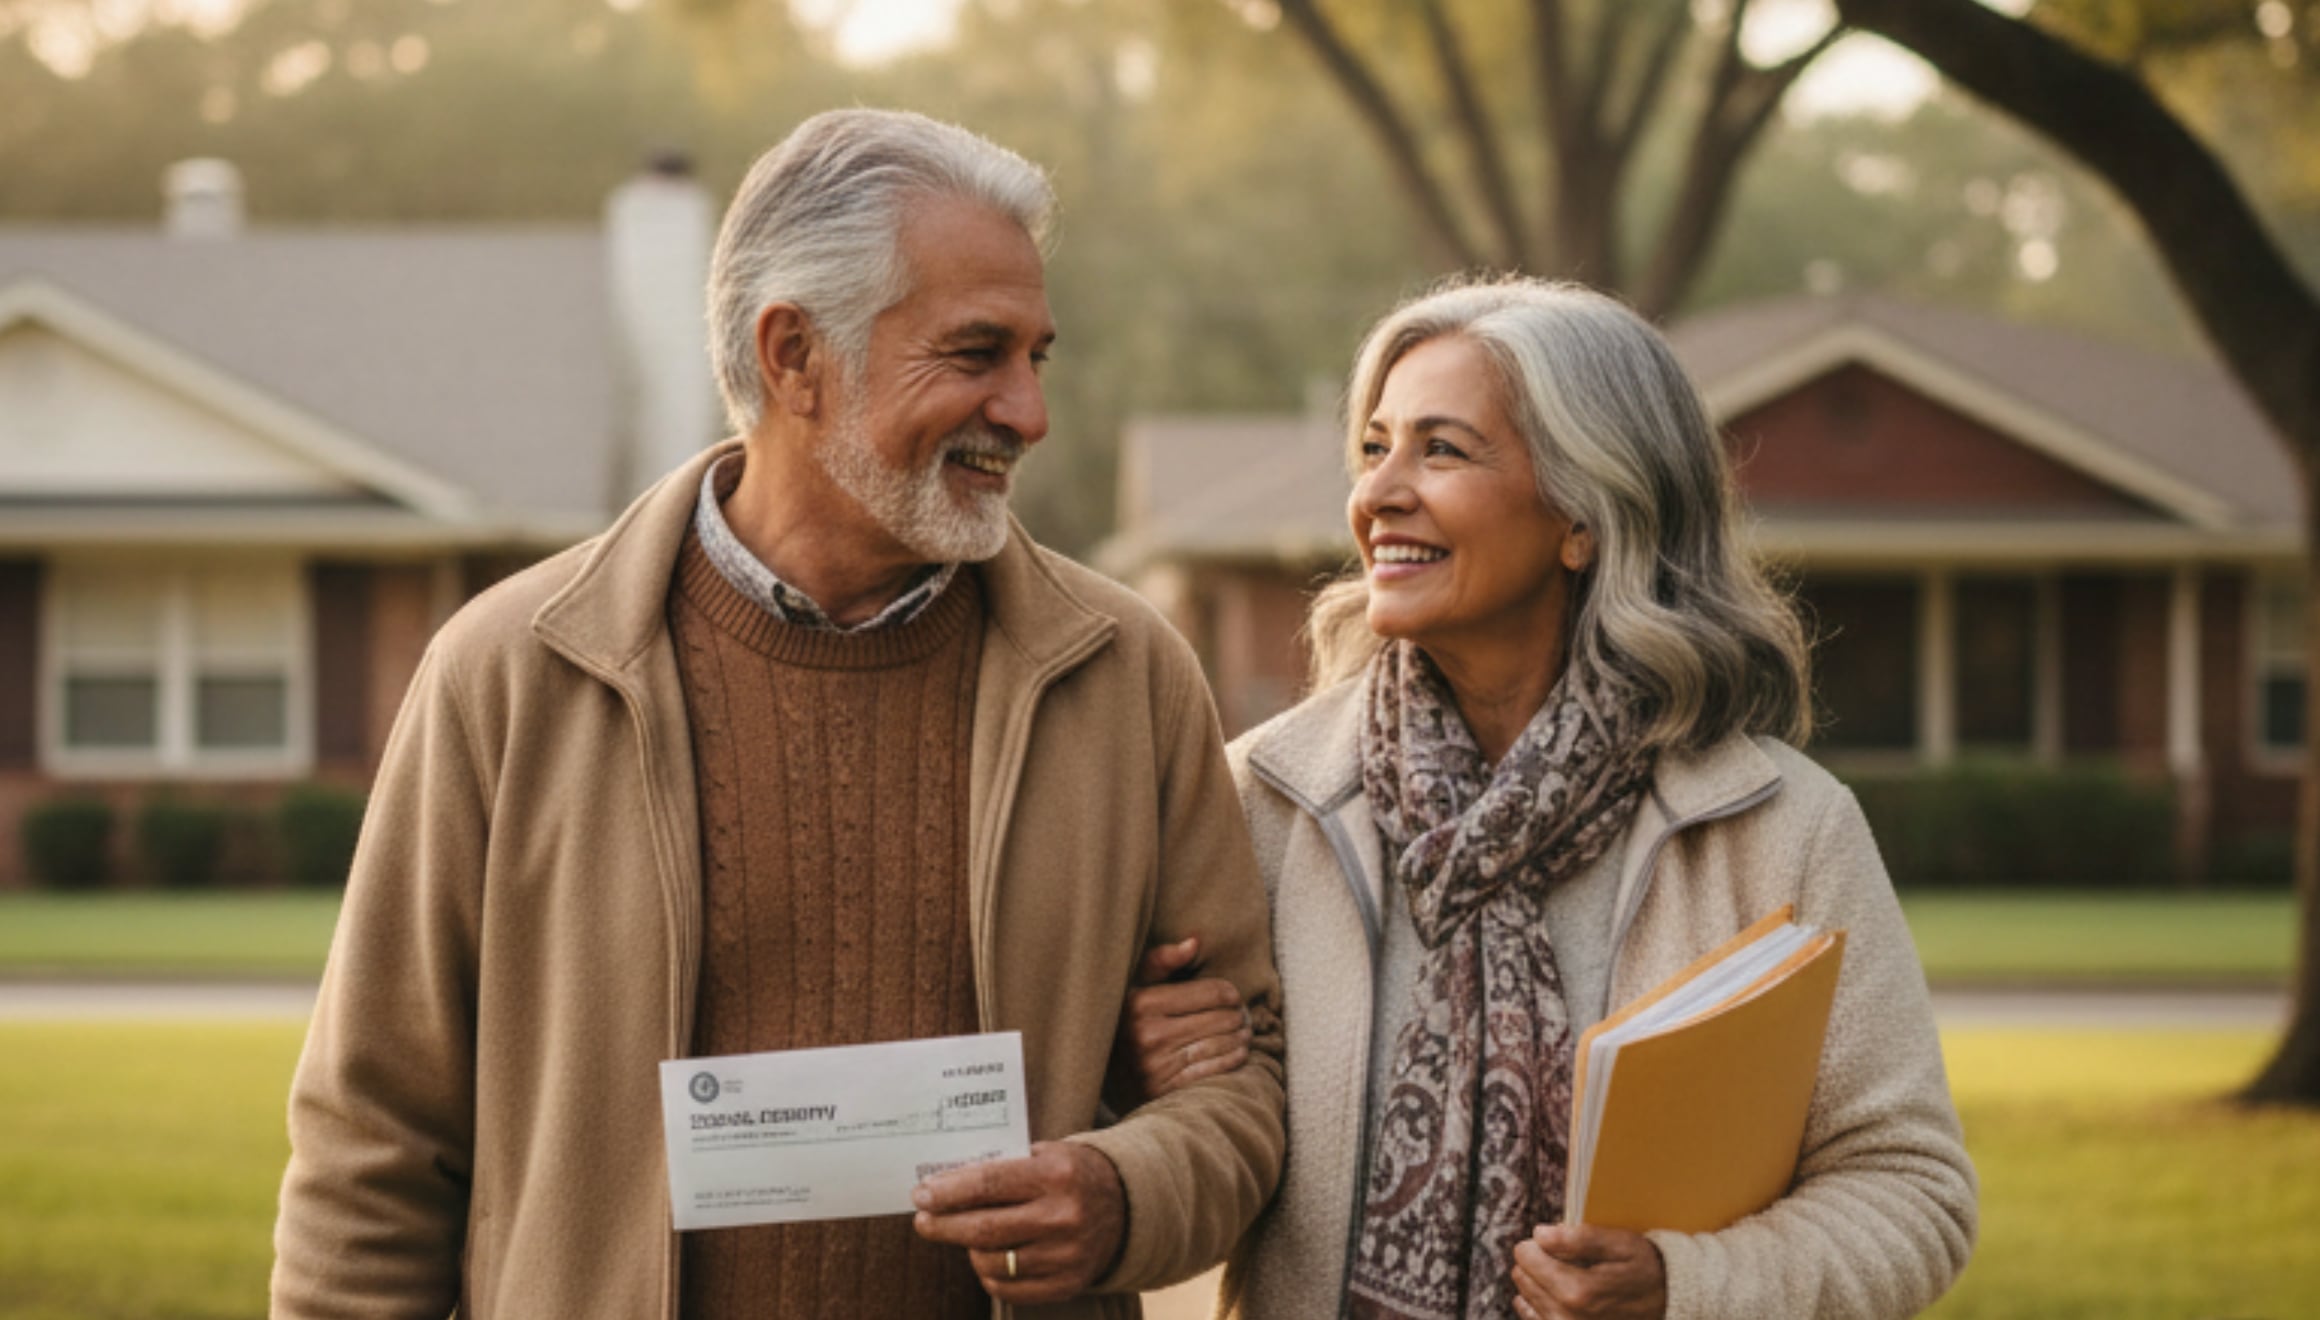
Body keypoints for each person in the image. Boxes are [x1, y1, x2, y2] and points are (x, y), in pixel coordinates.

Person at [271, 109, 1285, 1320]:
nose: (1027, 412)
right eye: (975, 354)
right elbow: (372, 1150)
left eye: (1036, 357)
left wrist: (1124, 1190)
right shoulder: (507, 674)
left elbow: (1247, 1087)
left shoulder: (1126, 679)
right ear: (795, 355)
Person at [1117, 278, 1976, 1320]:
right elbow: (1175, 1158)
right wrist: (1164, 1073)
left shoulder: (1776, 829)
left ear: (1584, 512)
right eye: (1374, 446)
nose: (1379, 493)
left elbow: (1910, 1191)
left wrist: (1685, 1285)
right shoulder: (1262, 798)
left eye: (1441, 449)